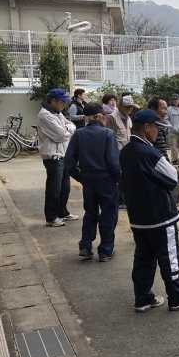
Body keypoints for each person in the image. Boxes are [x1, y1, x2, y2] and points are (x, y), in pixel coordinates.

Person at [120, 109, 179, 313]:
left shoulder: (126, 151)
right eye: (157, 128)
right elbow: (173, 178)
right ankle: (178, 298)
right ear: (147, 128)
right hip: (160, 216)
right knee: (170, 258)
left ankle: (143, 298)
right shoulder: (150, 153)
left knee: (143, 258)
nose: (159, 133)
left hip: (138, 217)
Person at [64, 103, 120, 261]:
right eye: (103, 115)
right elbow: (113, 162)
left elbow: (69, 162)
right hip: (106, 180)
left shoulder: (79, 134)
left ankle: (86, 246)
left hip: (88, 179)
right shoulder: (108, 134)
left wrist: (81, 177)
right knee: (108, 214)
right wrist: (118, 180)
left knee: (90, 213)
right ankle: (105, 250)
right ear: (99, 116)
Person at [37, 88, 78, 227]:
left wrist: (68, 129)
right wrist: (68, 130)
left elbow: (71, 125)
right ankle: (51, 217)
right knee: (54, 188)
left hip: (63, 155)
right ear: (53, 101)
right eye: (62, 101)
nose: (64, 104)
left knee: (65, 187)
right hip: (53, 157)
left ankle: (62, 212)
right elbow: (61, 135)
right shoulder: (45, 115)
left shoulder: (57, 113)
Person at [166, 94, 179, 171]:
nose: (175, 101)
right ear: (172, 101)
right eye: (174, 100)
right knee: (173, 147)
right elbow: (166, 119)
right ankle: (174, 161)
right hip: (172, 131)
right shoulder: (169, 109)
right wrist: (171, 127)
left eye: (177, 99)